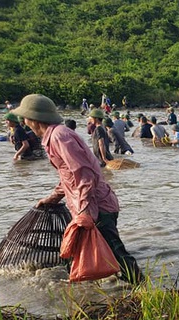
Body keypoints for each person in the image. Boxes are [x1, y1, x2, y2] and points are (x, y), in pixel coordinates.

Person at [12, 94, 143, 284]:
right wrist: (53, 198)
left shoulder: (59, 136)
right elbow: (69, 175)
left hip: (96, 207)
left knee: (115, 252)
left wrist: (84, 210)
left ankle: (141, 288)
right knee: (82, 251)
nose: (24, 122)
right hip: (87, 204)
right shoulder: (53, 136)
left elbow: (84, 174)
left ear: (32, 119)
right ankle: (89, 288)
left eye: (24, 117)